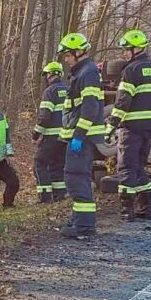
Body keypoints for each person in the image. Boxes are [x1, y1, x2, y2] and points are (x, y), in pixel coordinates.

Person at [109, 29, 151, 221]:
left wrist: (112, 125)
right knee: (139, 167)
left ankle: (127, 212)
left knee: (126, 168)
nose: (124, 53)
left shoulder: (131, 70)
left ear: (137, 49)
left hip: (131, 127)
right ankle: (146, 209)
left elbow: (123, 101)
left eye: (127, 50)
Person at [57, 33, 106, 239]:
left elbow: (90, 107)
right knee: (77, 177)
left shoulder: (88, 73)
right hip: (80, 136)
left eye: (67, 55)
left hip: (82, 138)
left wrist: (78, 135)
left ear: (78, 53)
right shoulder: (83, 72)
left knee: (76, 178)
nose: (65, 60)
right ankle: (79, 219)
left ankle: (84, 226)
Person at [32, 62, 70, 203]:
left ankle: (45, 197)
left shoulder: (49, 92)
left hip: (51, 137)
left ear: (49, 75)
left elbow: (44, 117)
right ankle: (59, 195)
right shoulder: (69, 89)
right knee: (58, 165)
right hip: (66, 137)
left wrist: (36, 134)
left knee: (39, 164)